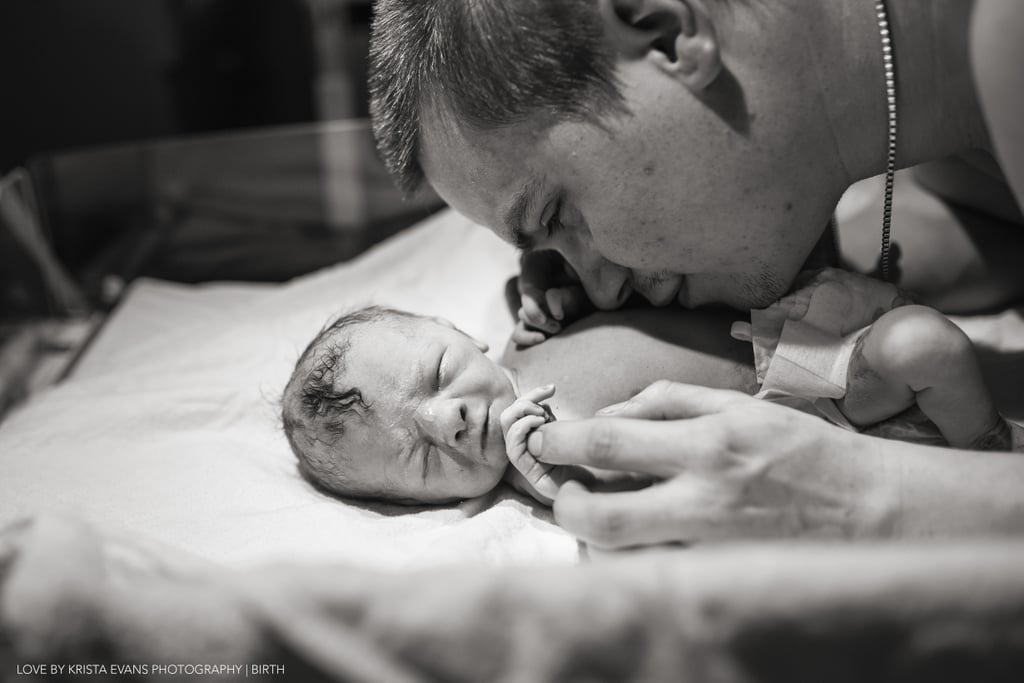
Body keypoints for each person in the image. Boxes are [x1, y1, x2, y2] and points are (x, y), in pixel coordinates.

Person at [367, 0, 1024, 545]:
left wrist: (861, 491)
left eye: (558, 213)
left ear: (667, 34)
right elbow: (991, 226)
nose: (599, 285)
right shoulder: (940, 94)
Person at [280, 304, 754, 506]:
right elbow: (663, 483)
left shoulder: (533, 327)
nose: (449, 420)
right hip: (798, 408)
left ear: (459, 332)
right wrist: (572, 481)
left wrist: (557, 287)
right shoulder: (534, 464)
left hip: (789, 323)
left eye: (439, 374)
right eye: (423, 457)